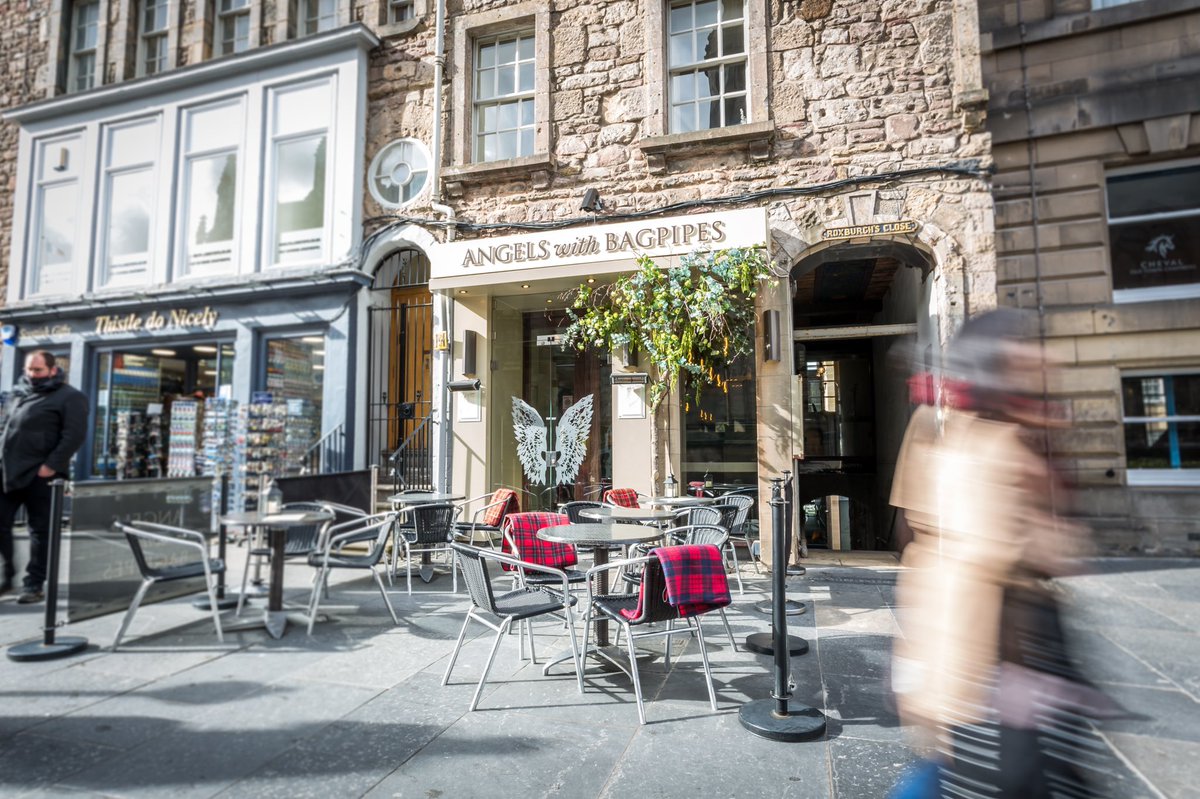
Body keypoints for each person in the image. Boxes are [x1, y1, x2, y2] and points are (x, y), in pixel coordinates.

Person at [888, 310, 1118, 799]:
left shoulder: (990, 438)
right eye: (1029, 355)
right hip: (996, 669)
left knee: (951, 777)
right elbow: (988, 555)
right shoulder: (985, 447)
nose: (1047, 362)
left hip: (982, 669)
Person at [0, 351, 88, 603]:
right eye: (29, 369)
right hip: (8, 470)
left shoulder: (70, 397)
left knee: (40, 530)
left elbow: (74, 436)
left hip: (41, 475)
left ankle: (34, 583)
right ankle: (8, 575)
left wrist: (50, 466)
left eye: (37, 370)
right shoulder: (19, 393)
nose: (31, 375)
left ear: (52, 370)